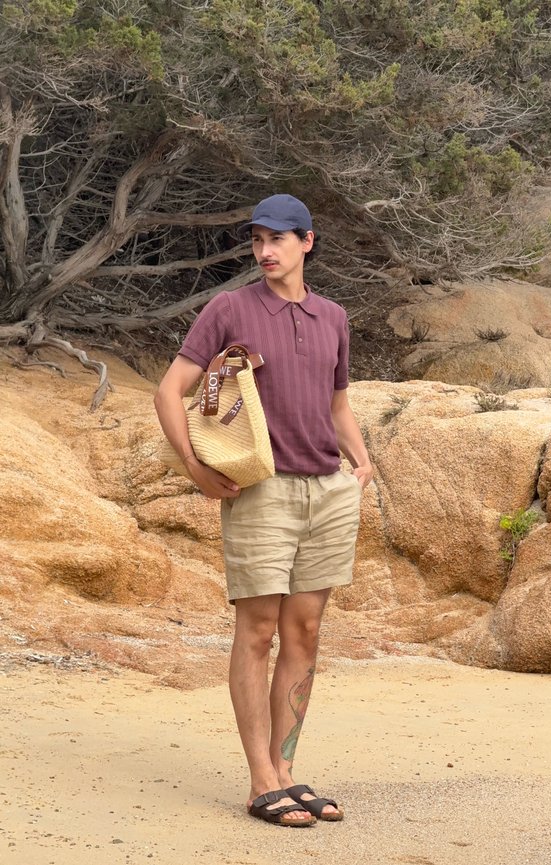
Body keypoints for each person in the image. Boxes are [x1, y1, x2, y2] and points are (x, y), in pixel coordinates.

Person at [154, 193, 373, 827]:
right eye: (257, 239)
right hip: (262, 490)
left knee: (304, 632)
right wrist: (195, 467)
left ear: (308, 242)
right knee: (257, 632)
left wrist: (361, 461)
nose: (265, 251)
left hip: (327, 488)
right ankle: (259, 782)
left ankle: (287, 771)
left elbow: (336, 407)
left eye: (278, 239)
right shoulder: (229, 308)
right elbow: (172, 390)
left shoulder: (333, 316)